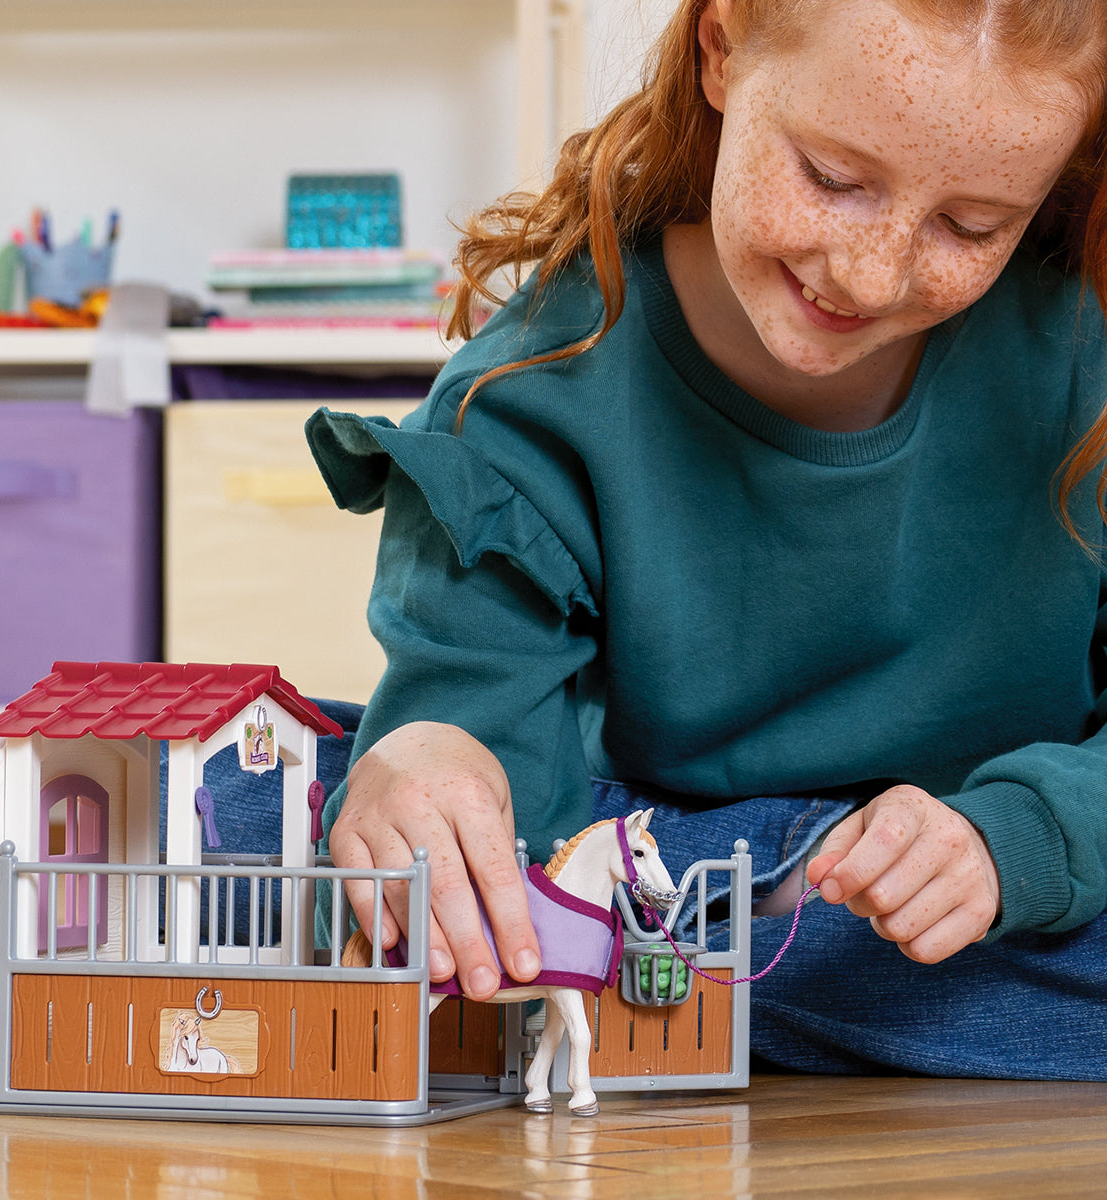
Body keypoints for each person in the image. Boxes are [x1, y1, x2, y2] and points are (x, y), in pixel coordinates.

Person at [304, 0, 1107, 1078]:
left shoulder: (1082, 344)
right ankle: (749, 984)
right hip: (681, 859)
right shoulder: (531, 393)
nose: (869, 275)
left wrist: (1023, 840)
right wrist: (427, 760)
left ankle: (695, 998)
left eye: (972, 227)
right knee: (268, 792)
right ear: (721, 48)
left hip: (1012, 892)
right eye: (831, 176)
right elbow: (496, 774)